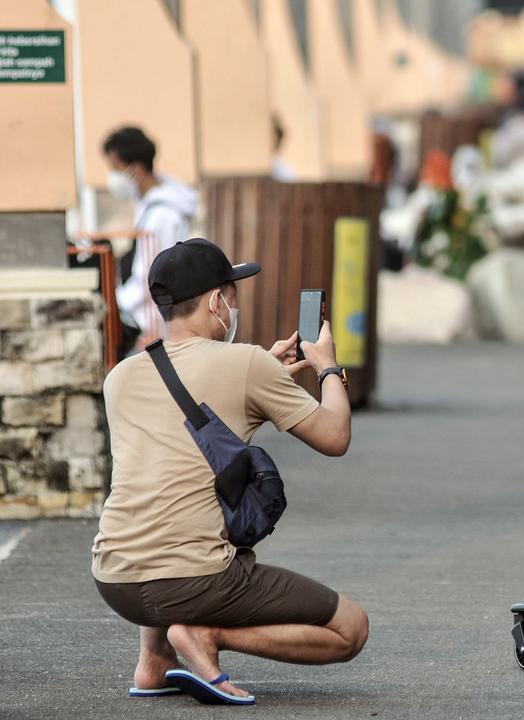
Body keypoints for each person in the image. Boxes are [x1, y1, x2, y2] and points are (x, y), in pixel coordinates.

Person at [92, 239, 368, 705]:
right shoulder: (247, 364)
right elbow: (335, 436)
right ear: (217, 300)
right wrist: (328, 368)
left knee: (161, 497)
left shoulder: (120, 376)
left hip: (116, 578)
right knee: (351, 628)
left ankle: (154, 662)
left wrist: (263, 369)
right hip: (194, 582)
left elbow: (181, 443)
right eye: (232, 293)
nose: (235, 304)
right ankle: (206, 635)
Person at [103, 126, 199, 353]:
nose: (113, 176)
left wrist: (120, 303)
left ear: (135, 169)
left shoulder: (162, 216)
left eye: (116, 168)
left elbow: (154, 276)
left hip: (149, 330)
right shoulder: (151, 206)